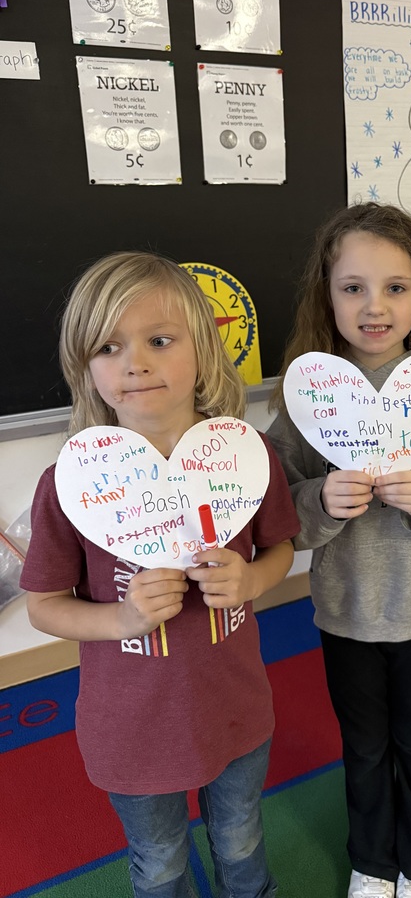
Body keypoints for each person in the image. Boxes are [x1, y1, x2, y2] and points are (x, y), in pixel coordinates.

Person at [21, 252, 300, 898]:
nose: (134, 362)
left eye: (160, 340)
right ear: (86, 369)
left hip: (235, 708)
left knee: (240, 840)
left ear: (202, 351)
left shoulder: (245, 459)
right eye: (108, 348)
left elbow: (282, 550)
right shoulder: (69, 486)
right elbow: (43, 605)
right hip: (132, 726)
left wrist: (253, 581)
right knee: (161, 860)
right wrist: (121, 617)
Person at [267, 203, 411, 898]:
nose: (375, 306)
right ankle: (372, 861)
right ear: (328, 295)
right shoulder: (311, 399)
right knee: (364, 746)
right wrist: (319, 502)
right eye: (353, 287)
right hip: (346, 610)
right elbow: (281, 510)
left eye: (396, 287)